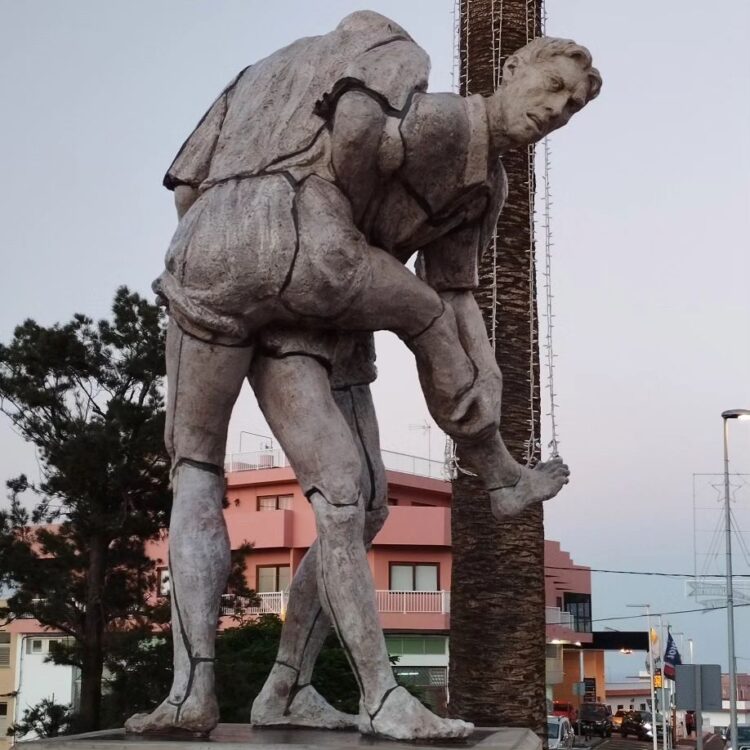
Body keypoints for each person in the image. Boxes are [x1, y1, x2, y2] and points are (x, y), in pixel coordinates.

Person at [125, 10, 600, 741]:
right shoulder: (419, 103)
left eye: (570, 106)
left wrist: (487, 372)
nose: (556, 110)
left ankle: (277, 688)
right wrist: (315, 236)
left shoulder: (484, 186)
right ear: (510, 70)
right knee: (210, 472)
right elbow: (352, 134)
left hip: (289, 298)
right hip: (296, 258)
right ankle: (288, 691)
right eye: (553, 86)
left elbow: (454, 289)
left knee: (353, 501)